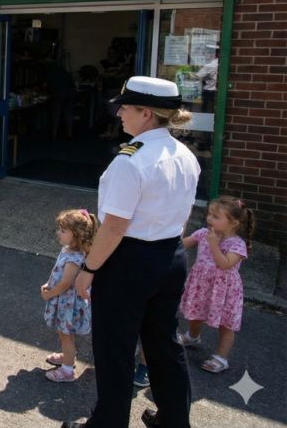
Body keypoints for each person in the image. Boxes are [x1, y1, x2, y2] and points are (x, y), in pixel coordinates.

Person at [62, 76, 200, 428]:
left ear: (147, 114)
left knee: (115, 349)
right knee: (163, 344)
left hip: (128, 261)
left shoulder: (130, 160)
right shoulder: (184, 154)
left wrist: (89, 269)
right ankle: (174, 419)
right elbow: (182, 217)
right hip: (170, 255)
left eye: (127, 107)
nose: (120, 113)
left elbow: (114, 227)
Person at [177, 196, 254, 374]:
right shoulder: (203, 233)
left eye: (216, 217)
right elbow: (182, 244)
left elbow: (225, 264)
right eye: (209, 214)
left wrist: (214, 245)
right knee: (195, 313)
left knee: (225, 324)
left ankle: (221, 357)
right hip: (202, 285)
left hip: (225, 291)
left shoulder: (237, 244)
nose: (209, 219)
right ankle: (192, 336)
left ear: (233, 223)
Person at [41, 209, 96, 383]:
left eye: (63, 231)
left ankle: (67, 371)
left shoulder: (74, 258)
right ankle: (67, 357)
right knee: (65, 333)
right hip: (66, 302)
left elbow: (65, 283)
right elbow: (58, 274)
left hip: (67, 304)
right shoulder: (68, 249)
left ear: (77, 235)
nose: (58, 233)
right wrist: (48, 283)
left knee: (66, 334)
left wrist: (48, 293)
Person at [42, 56, 77, 139]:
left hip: (59, 92)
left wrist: (44, 93)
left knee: (56, 112)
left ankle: (54, 134)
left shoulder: (50, 72)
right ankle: (69, 133)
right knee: (68, 112)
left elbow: (44, 85)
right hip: (71, 90)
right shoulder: (62, 70)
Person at [98, 47, 127, 139]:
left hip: (118, 90)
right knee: (107, 111)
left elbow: (124, 74)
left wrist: (109, 75)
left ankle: (115, 131)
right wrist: (114, 74)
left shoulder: (120, 63)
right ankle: (109, 131)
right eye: (109, 53)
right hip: (106, 90)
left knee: (117, 111)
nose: (110, 54)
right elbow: (101, 74)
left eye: (112, 53)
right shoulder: (103, 63)